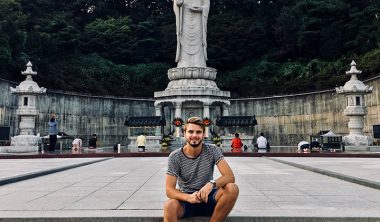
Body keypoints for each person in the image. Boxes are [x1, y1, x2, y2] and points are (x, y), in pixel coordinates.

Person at [164, 117, 239, 221]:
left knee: (232, 188)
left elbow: (230, 177)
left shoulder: (212, 150)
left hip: (209, 197)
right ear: (184, 133)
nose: (194, 135)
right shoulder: (175, 156)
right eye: (190, 132)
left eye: (198, 132)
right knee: (169, 206)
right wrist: (188, 197)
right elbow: (169, 190)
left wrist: (211, 184)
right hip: (186, 201)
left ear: (203, 134)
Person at [174, 0, 210, 67]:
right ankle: (184, 62)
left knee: (198, 39)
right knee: (184, 39)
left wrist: (201, 8)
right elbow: (177, 3)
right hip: (185, 17)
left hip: (198, 18)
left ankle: (199, 62)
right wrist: (178, 3)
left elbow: (206, 4)